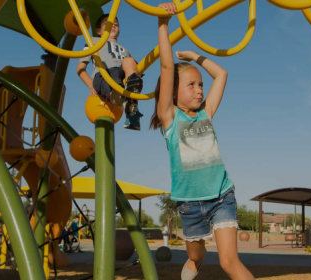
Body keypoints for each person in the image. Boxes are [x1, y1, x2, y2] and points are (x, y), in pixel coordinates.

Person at [150, 3, 255, 280]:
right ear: (172, 93)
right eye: (191, 85)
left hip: (222, 196)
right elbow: (166, 65)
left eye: (200, 85)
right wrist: (163, 24)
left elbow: (222, 74)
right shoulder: (170, 119)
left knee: (229, 262)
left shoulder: (206, 113)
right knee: (196, 256)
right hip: (189, 204)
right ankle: (195, 262)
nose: (199, 90)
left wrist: (196, 57)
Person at [77, 14, 143, 130]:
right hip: (103, 73)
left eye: (116, 25)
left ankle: (131, 108)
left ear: (119, 31)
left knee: (130, 61)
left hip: (122, 74)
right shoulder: (92, 41)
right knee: (113, 75)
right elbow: (80, 68)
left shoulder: (125, 50)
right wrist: (90, 85)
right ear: (98, 31)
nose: (113, 25)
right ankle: (119, 97)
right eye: (108, 24)